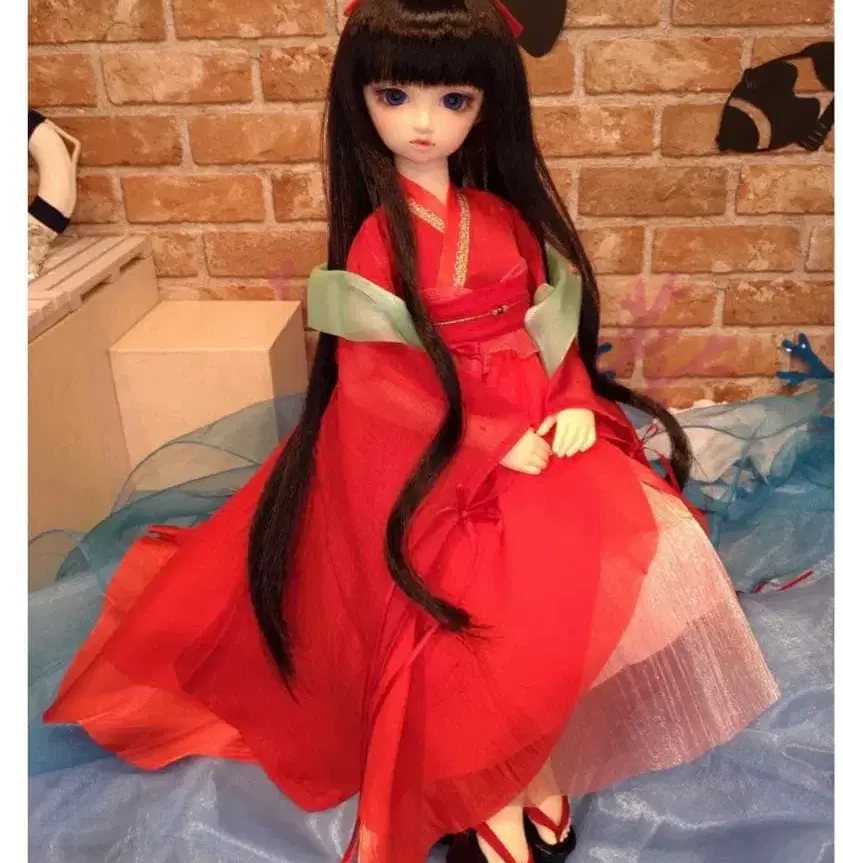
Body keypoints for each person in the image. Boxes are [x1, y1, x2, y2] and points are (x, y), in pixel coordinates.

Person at [43, 2, 780, 862]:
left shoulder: (501, 219)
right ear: (359, 99)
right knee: (463, 611)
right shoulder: (375, 240)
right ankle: (491, 789)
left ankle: (534, 764)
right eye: (394, 96)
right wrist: (482, 439)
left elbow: (547, 327)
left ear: (486, 106)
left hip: (532, 412)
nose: (423, 123)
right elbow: (376, 378)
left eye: (453, 100)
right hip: (431, 437)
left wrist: (572, 396)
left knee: (593, 570)